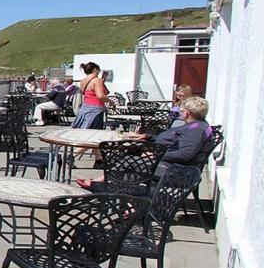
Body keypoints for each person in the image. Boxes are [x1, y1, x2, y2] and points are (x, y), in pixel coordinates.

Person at [76, 96, 213, 187]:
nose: (180, 113)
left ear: (187, 113)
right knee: (128, 160)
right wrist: (148, 137)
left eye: (182, 110)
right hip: (172, 166)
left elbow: (185, 154)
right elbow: (174, 142)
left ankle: (100, 185)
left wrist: (156, 155)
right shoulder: (198, 125)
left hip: (177, 172)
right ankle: (107, 187)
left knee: (128, 163)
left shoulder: (196, 129)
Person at [71, 62, 111, 129]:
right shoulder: (97, 80)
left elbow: (86, 94)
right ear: (95, 69)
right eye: (99, 70)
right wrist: (110, 101)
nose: (99, 72)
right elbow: (100, 96)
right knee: (95, 133)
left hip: (84, 108)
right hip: (95, 110)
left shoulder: (83, 81)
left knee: (85, 132)